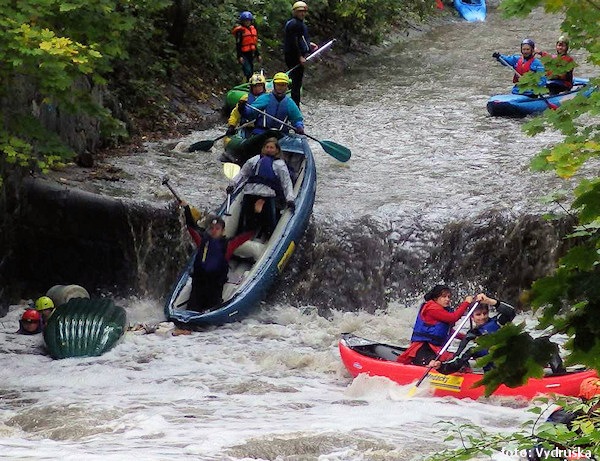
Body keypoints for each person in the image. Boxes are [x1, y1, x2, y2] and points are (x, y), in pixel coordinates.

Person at [180, 207, 255, 312]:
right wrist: (186, 208)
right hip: (198, 285)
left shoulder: (228, 244)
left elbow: (248, 234)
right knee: (192, 309)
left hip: (214, 288)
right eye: (212, 228)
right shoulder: (202, 241)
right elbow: (191, 227)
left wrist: (256, 211)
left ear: (223, 231)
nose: (214, 231)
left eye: (217, 228)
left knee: (210, 309)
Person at [226, 137, 296, 239]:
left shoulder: (279, 165)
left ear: (277, 150)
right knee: (245, 219)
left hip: (267, 195)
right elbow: (242, 174)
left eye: (272, 147)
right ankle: (241, 235)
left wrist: (290, 199)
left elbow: (286, 183)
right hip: (250, 193)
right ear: (263, 148)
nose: (269, 149)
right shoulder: (254, 160)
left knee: (270, 222)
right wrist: (232, 185)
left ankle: (269, 236)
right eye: (267, 147)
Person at [428, 294, 516, 374]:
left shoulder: (498, 322)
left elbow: (511, 312)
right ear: (472, 317)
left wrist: (490, 301)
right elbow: (457, 361)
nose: (482, 317)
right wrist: (440, 366)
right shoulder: (471, 337)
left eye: (485, 313)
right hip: (494, 375)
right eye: (478, 314)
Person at [396, 285, 473, 366]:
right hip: (423, 347)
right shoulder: (431, 308)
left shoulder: (443, 310)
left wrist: (466, 337)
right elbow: (453, 318)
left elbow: (447, 331)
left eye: (449, 297)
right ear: (436, 298)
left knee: (458, 362)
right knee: (433, 363)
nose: (447, 299)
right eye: (444, 296)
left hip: (435, 348)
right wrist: (466, 303)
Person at [238, 72, 305, 136]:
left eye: (283, 85)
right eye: (278, 84)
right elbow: (250, 113)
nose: (280, 87)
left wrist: (299, 126)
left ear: (286, 86)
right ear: (274, 85)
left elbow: (297, 119)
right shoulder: (264, 98)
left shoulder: (289, 103)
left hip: (281, 134)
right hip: (261, 133)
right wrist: (242, 108)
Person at [283, 1, 318, 106]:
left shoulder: (299, 24)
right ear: (294, 12)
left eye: (303, 12)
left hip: (297, 56)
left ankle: (295, 104)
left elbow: (300, 39)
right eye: (299, 12)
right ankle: (295, 106)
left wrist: (309, 45)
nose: (302, 14)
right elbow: (294, 42)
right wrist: (300, 57)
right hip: (293, 57)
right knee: (296, 83)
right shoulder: (294, 24)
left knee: (297, 82)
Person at [226, 72, 268, 139]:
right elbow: (235, 114)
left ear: (263, 86)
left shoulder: (268, 98)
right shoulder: (245, 98)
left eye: (259, 86)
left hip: (262, 129)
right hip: (246, 128)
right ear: (251, 87)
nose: (257, 88)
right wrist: (232, 126)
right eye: (255, 86)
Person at [232, 11, 261, 81]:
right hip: (243, 53)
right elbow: (238, 44)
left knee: (251, 69)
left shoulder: (252, 29)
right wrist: (239, 56)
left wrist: (258, 55)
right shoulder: (240, 31)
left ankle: (250, 84)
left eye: (248, 21)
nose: (247, 22)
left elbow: (254, 43)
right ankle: (248, 83)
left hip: (251, 53)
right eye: (245, 21)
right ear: (242, 21)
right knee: (248, 71)